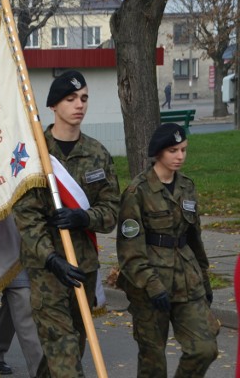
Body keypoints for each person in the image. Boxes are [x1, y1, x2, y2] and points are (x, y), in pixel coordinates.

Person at [12, 70, 120, 377]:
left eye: (84, 98)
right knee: (65, 355)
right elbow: (27, 219)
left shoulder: (98, 154)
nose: (79, 105)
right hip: (47, 270)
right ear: (53, 106)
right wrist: (51, 258)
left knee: (67, 351)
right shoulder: (34, 155)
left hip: (83, 268)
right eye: (70, 99)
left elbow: (111, 210)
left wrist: (85, 217)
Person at [116, 123, 219, 377]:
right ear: (159, 152)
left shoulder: (187, 187)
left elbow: (195, 239)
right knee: (153, 363)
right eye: (173, 150)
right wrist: (152, 285)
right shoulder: (136, 191)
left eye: (183, 150)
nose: (180, 156)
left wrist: (204, 281)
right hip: (149, 286)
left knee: (204, 349)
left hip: (187, 280)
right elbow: (129, 251)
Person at [0, 230, 42, 377]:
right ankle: (43, 373)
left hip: (34, 242)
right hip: (6, 240)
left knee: (13, 304)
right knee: (23, 301)